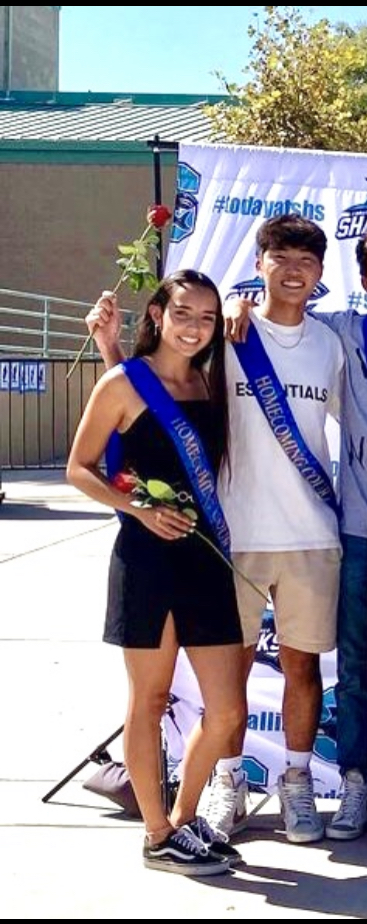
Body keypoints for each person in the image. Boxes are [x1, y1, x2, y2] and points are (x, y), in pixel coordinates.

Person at [90, 215, 346, 846]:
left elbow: (154, 406)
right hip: (191, 547)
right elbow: (128, 418)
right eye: (279, 256)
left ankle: (241, 803)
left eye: (306, 260)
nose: (196, 325)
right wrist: (112, 355)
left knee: (265, 687)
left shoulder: (289, 353)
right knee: (182, 693)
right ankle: (186, 811)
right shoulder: (215, 343)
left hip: (262, 544)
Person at [222, 222, 367, 842]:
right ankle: (352, 781)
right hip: (354, 527)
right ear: (362, 277)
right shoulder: (338, 331)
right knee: (355, 668)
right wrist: (238, 304)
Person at [67, 271, 245, 875]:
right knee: (149, 700)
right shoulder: (121, 383)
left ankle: (184, 819)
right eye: (183, 314)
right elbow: (80, 467)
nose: (194, 327)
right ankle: (155, 832)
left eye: (206, 317)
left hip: (205, 557)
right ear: (158, 316)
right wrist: (139, 508)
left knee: (226, 713)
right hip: (146, 559)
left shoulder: (208, 378)